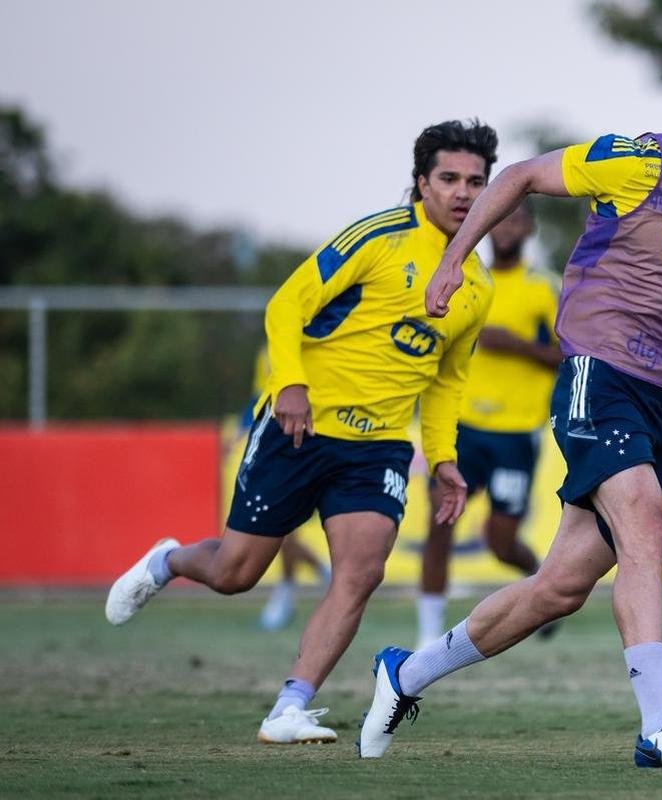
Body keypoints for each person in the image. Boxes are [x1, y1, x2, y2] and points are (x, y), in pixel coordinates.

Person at [359, 59, 662, 768]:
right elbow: (520, 177)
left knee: (558, 589)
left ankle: (404, 675)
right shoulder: (631, 163)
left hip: (661, 405)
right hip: (596, 377)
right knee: (646, 526)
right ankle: (659, 724)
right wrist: (453, 256)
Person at [105, 119, 499, 745]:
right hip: (301, 426)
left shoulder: (477, 283)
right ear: (420, 182)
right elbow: (287, 304)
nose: (461, 192)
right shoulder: (379, 237)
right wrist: (289, 384)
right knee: (236, 574)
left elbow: (447, 380)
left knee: (361, 572)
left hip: (379, 448)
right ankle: (168, 559)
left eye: (475, 182)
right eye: (448, 178)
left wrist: (444, 457)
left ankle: (289, 706)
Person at [416, 201, 561, 648]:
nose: (505, 230)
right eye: (499, 222)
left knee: (500, 542)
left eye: (516, 220)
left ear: (529, 228)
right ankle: (426, 636)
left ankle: (543, 583)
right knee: (439, 523)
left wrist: (516, 345)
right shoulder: (467, 279)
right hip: (461, 427)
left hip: (516, 435)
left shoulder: (543, 288)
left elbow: (570, 355)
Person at [238, 343, 333, 632]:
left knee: (290, 531)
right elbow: (262, 393)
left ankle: (317, 585)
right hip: (282, 448)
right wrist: (242, 431)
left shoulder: (329, 340)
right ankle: (310, 581)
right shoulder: (269, 350)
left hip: (326, 444)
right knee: (281, 530)